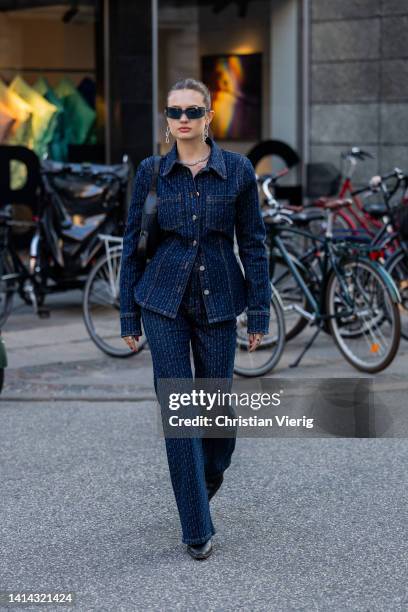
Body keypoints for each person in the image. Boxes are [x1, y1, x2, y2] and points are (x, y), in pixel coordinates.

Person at [119, 78, 271, 560]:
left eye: (193, 111)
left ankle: (205, 478)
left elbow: (253, 243)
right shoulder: (150, 173)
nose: (183, 118)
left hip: (220, 301)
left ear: (208, 117)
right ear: (167, 120)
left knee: (217, 413)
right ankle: (195, 527)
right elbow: (133, 244)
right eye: (174, 111)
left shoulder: (238, 171)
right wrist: (129, 314)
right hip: (162, 301)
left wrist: (261, 310)